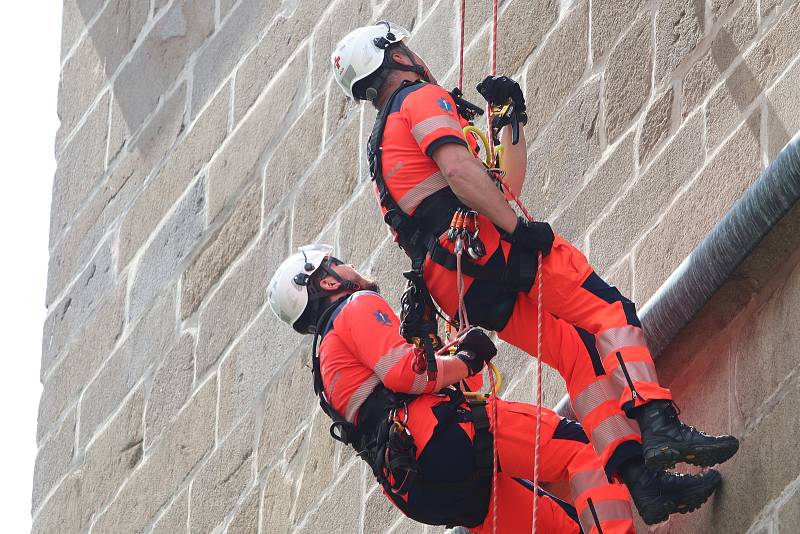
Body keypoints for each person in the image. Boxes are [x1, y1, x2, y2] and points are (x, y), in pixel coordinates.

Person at [330, 21, 739, 522]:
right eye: (406, 48)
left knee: (577, 351)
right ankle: (658, 421)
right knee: (608, 310)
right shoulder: (417, 99)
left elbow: (497, 184)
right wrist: (518, 232)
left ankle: (641, 481)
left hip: (458, 282)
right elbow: (465, 177)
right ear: (393, 57)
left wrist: (509, 122)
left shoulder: (382, 149)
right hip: (487, 246)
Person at [267, 245, 723, 533]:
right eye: (336, 263)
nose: (350, 267)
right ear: (326, 280)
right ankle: (645, 488)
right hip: (445, 439)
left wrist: (439, 349)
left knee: (560, 527)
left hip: (420, 489)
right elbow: (407, 375)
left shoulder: (325, 367)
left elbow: (409, 387)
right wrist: (463, 359)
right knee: (584, 452)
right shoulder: (355, 308)